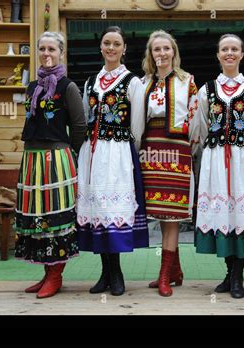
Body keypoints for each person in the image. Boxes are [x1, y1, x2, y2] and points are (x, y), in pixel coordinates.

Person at [191, 34, 244, 299]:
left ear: (241, 55)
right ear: (218, 55)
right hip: (216, 158)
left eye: (234, 49)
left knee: (242, 212)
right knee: (223, 214)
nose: (229, 53)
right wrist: (210, 154)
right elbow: (201, 128)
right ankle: (229, 273)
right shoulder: (206, 91)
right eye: (224, 49)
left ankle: (238, 275)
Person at [76, 26, 149, 296]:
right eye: (107, 43)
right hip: (92, 154)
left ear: (124, 48)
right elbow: (85, 117)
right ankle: (105, 272)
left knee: (112, 212)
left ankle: (116, 273)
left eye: (116, 44)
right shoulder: (90, 82)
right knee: (97, 212)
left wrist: (128, 151)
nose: (111, 48)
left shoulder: (133, 82)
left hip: (118, 152)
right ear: (101, 47)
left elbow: (137, 125)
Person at [15, 31, 87, 299]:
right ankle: (46, 273)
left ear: (61, 53)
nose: (46, 54)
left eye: (52, 49)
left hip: (56, 160)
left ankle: (56, 276)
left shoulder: (67, 86)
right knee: (37, 217)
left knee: (55, 218)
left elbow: (79, 126)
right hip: (31, 159)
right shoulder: (32, 87)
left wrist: (71, 154)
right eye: (42, 49)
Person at [141, 30, 198, 297]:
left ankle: (165, 275)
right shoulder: (143, 83)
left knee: (173, 214)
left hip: (176, 149)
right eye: (157, 49)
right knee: (160, 212)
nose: (162, 53)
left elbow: (197, 121)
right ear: (151, 54)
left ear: (174, 51)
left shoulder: (188, 82)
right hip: (151, 149)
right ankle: (173, 271)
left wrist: (190, 149)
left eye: (166, 48)